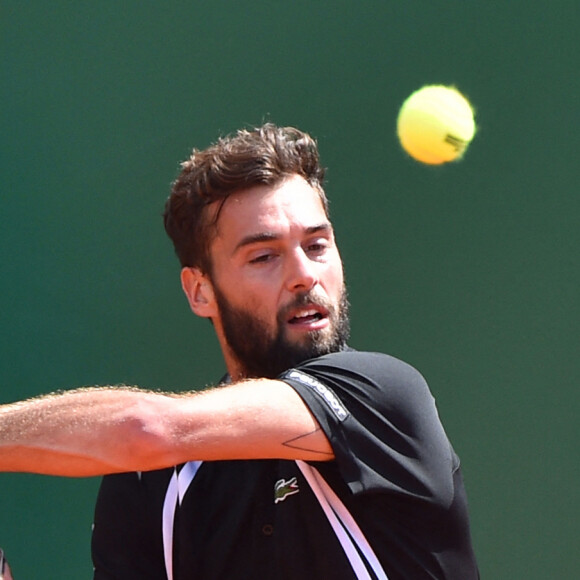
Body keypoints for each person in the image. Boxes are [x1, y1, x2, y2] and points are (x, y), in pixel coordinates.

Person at [0, 124, 479, 579]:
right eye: (264, 256)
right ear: (200, 291)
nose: (304, 275)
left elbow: (146, 430)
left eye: (316, 245)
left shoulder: (386, 397)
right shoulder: (152, 485)